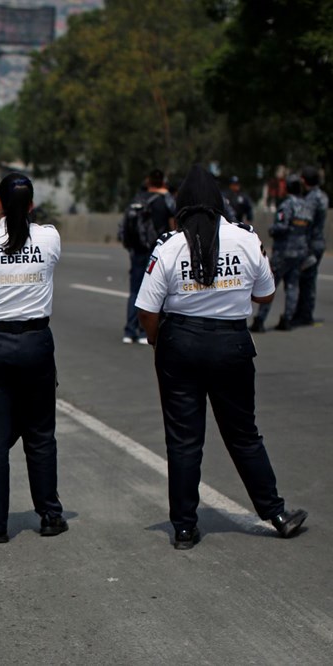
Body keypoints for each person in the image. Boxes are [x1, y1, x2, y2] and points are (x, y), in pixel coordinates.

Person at [135, 164, 307, 550]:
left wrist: (156, 342)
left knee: (183, 442)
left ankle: (183, 528)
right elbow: (265, 296)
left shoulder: (169, 245)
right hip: (231, 345)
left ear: (180, 206)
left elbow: (146, 310)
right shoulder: (246, 239)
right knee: (244, 435)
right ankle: (276, 513)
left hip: (180, 344)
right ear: (220, 203)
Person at [0, 173, 67, 544]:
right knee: (40, 433)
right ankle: (50, 515)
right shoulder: (50, 237)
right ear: (33, 204)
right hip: (36, 342)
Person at [249, 175, 314, 332]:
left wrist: (272, 230)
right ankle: (287, 319)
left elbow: (282, 226)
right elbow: (310, 229)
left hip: (284, 252)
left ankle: (260, 321)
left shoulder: (287, 205)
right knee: (292, 286)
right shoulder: (307, 206)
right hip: (300, 252)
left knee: (270, 286)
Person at [121, 169, 176, 344]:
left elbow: (125, 225)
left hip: (137, 251)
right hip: (156, 252)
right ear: (162, 183)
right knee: (154, 293)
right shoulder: (164, 200)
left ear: (148, 181)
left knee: (135, 291)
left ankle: (130, 331)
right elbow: (175, 215)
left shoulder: (137, 199)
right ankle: (145, 333)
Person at [293, 166, 327, 326]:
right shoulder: (321, 195)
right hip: (317, 243)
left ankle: (304, 315)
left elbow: (304, 220)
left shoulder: (313, 198)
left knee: (306, 280)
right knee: (308, 279)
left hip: (311, 244)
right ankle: (303, 313)